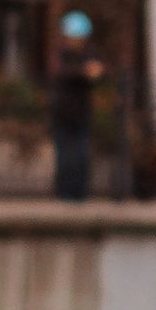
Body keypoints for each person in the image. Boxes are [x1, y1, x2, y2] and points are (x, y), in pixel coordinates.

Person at [50, 11, 100, 203]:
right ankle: (64, 193)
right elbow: (64, 72)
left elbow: (100, 71)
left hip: (81, 112)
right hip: (62, 112)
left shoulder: (90, 51)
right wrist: (84, 72)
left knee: (81, 154)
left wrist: (95, 72)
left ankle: (80, 194)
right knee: (65, 155)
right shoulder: (61, 53)